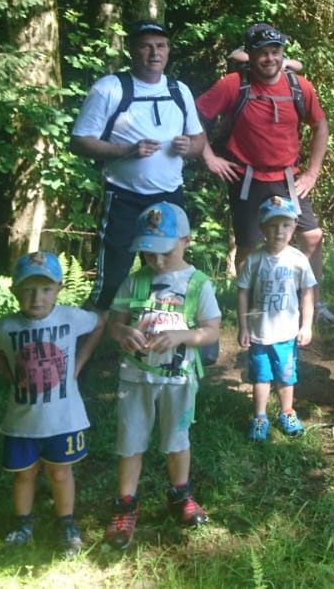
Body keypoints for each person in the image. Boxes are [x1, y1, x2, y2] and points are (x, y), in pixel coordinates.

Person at [197, 22, 334, 327]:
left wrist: (313, 172)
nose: (269, 59)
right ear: (249, 55)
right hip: (247, 179)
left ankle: (314, 304)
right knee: (248, 245)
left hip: (288, 178)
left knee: (312, 236)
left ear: (282, 53)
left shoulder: (298, 87)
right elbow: (194, 115)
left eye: (275, 51)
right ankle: (249, 310)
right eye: (262, 53)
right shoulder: (233, 85)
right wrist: (209, 156)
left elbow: (320, 126)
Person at [103, 203, 221, 550]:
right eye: (147, 252)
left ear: (185, 240)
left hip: (179, 379)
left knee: (177, 438)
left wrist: (184, 336)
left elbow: (212, 330)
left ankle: (179, 496)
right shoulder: (134, 280)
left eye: (163, 252)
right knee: (130, 442)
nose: (155, 260)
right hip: (135, 378)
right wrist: (122, 332)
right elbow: (114, 323)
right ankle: (125, 504)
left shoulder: (198, 284)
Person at [70, 20, 206, 312]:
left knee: (170, 270)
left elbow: (199, 141)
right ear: (132, 50)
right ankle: (85, 344)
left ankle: (164, 333)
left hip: (170, 196)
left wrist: (189, 147)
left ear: (168, 50)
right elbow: (79, 141)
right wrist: (126, 150)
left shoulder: (179, 90)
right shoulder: (110, 88)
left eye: (160, 46)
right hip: (124, 197)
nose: (154, 53)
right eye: (145, 46)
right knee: (113, 275)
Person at [0, 251, 103, 555]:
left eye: (46, 289)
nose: (37, 298)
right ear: (15, 291)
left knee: (60, 473)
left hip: (64, 419)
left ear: (58, 288)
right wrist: (4, 369)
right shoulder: (6, 327)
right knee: (24, 474)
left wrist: (80, 363)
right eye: (28, 290)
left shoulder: (70, 318)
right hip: (21, 422)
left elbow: (99, 323)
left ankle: (66, 524)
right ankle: (22, 524)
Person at [237, 195, 316, 441]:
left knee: (285, 376)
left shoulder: (298, 260)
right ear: (262, 228)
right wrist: (243, 326)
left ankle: (287, 412)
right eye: (272, 225)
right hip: (260, 333)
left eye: (284, 225)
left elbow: (307, 293)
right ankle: (260, 417)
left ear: (293, 227)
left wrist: (306, 325)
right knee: (260, 377)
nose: (278, 231)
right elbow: (242, 292)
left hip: (286, 333)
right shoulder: (254, 260)